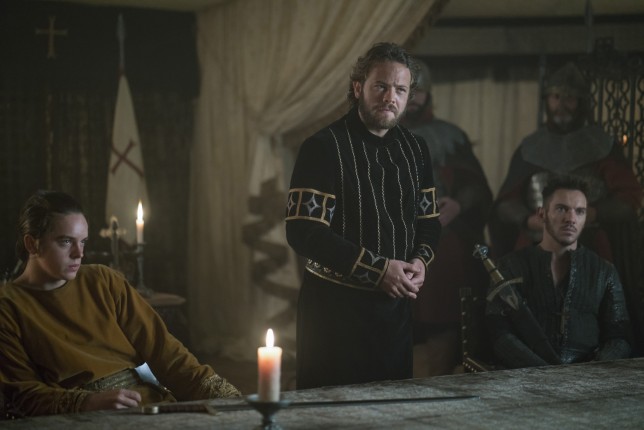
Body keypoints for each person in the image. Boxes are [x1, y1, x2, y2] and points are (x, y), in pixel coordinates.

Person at [0, 190, 241, 417]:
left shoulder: (103, 280)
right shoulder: (8, 306)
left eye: (83, 242)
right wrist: (87, 403)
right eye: (65, 242)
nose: (79, 253)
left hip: (149, 408)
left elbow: (167, 353)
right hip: (81, 419)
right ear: (32, 244)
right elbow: (23, 393)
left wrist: (233, 402)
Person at [285, 42, 441, 389]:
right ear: (358, 88)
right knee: (329, 411)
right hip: (333, 314)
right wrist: (378, 270)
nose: (390, 97)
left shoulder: (416, 150)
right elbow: (303, 233)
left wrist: (421, 262)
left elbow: (429, 223)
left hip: (395, 314)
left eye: (400, 89)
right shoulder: (323, 147)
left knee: (392, 408)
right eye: (380, 86)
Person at [488, 61, 643, 352]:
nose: (561, 104)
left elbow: (629, 198)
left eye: (569, 97)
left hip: (591, 244)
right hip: (535, 243)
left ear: (582, 102)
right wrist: (529, 220)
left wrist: (590, 214)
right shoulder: (530, 147)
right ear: (547, 100)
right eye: (556, 97)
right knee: (528, 316)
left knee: (593, 318)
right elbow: (506, 202)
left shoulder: (602, 145)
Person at [402, 61, 493, 376]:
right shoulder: (380, 135)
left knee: (443, 316)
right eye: (408, 90)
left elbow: (476, 186)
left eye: (420, 91)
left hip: (440, 241)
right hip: (392, 239)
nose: (414, 98)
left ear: (429, 94)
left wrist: (457, 204)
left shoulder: (450, 137)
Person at [485, 176, 631, 369]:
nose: (571, 219)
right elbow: (499, 334)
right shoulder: (510, 266)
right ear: (542, 214)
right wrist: (542, 371)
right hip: (524, 378)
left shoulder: (604, 272)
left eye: (579, 211)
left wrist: (590, 371)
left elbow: (619, 337)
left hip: (586, 379)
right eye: (561, 209)